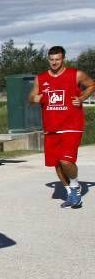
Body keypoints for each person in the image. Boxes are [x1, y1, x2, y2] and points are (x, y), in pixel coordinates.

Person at [29, 46, 95, 209]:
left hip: (71, 125)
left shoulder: (75, 74)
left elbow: (92, 85)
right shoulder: (41, 78)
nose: (54, 62)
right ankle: (70, 192)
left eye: (57, 59)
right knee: (57, 164)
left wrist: (82, 98)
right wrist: (35, 98)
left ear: (63, 59)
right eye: (51, 60)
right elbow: (31, 97)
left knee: (66, 160)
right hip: (50, 127)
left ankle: (75, 186)